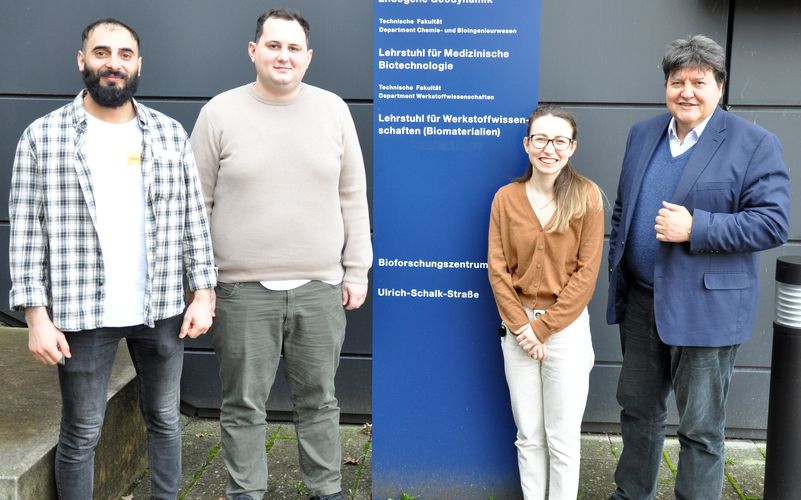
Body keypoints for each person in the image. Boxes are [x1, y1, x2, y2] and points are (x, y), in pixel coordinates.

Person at [8, 18, 217, 499]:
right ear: (82, 61)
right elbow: (24, 235)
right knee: (81, 434)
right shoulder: (43, 137)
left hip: (161, 308)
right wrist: (37, 318)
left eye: (124, 55)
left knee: (165, 419)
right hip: (81, 313)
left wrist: (204, 292)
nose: (113, 64)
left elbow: (193, 220)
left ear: (138, 65)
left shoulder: (168, 134)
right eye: (102, 53)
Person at [190, 8, 372, 500]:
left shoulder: (333, 110)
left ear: (308, 58)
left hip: (319, 287)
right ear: (254, 51)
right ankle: (246, 493)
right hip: (240, 291)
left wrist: (356, 270)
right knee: (244, 405)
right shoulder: (219, 113)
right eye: (274, 45)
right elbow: (195, 205)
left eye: (294, 48)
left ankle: (326, 490)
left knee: (320, 401)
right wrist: (200, 285)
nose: (283, 56)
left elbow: (352, 195)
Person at [607, 35, 791, 500]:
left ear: (720, 87)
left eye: (698, 82)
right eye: (677, 81)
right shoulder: (643, 133)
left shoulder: (754, 143)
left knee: (701, 431)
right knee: (637, 415)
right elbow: (624, 208)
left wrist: (697, 228)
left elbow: (772, 223)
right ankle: (631, 495)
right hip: (643, 304)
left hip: (706, 310)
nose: (686, 91)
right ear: (666, 86)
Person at [488, 104, 604, 499]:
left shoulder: (586, 198)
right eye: (540, 139)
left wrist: (541, 328)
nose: (548, 149)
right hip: (517, 330)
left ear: (572, 148)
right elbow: (498, 270)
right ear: (527, 144)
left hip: (566, 332)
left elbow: (586, 275)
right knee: (529, 435)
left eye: (558, 141)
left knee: (563, 437)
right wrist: (522, 327)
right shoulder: (506, 199)